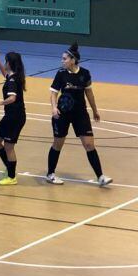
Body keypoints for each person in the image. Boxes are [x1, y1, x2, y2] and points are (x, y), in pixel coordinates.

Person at [45, 43, 112, 186]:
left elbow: (89, 93)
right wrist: (54, 108)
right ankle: (50, 173)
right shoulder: (61, 73)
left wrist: (95, 110)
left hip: (80, 114)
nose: (62, 61)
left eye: (65, 59)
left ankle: (100, 177)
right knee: (58, 144)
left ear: (73, 60)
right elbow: (53, 93)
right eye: (62, 59)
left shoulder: (85, 74)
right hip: (62, 114)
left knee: (89, 144)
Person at [0, 51, 27, 186]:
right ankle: (9, 168)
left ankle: (11, 177)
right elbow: (5, 74)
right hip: (10, 116)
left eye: (5, 61)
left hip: (15, 117)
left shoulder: (12, 81)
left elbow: (12, 98)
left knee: (8, 147)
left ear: (10, 64)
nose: (4, 64)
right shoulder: (13, 76)